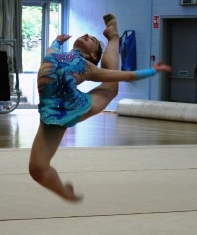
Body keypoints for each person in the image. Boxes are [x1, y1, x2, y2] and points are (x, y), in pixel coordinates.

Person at [29, 14, 172, 202]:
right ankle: (64, 192)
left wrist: (152, 71)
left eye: (92, 40)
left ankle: (113, 36)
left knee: (111, 86)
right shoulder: (53, 53)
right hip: (50, 113)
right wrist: (57, 39)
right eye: (87, 35)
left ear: (93, 55)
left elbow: (125, 75)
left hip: (73, 107)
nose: (87, 34)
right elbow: (52, 47)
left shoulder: (87, 67)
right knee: (37, 169)